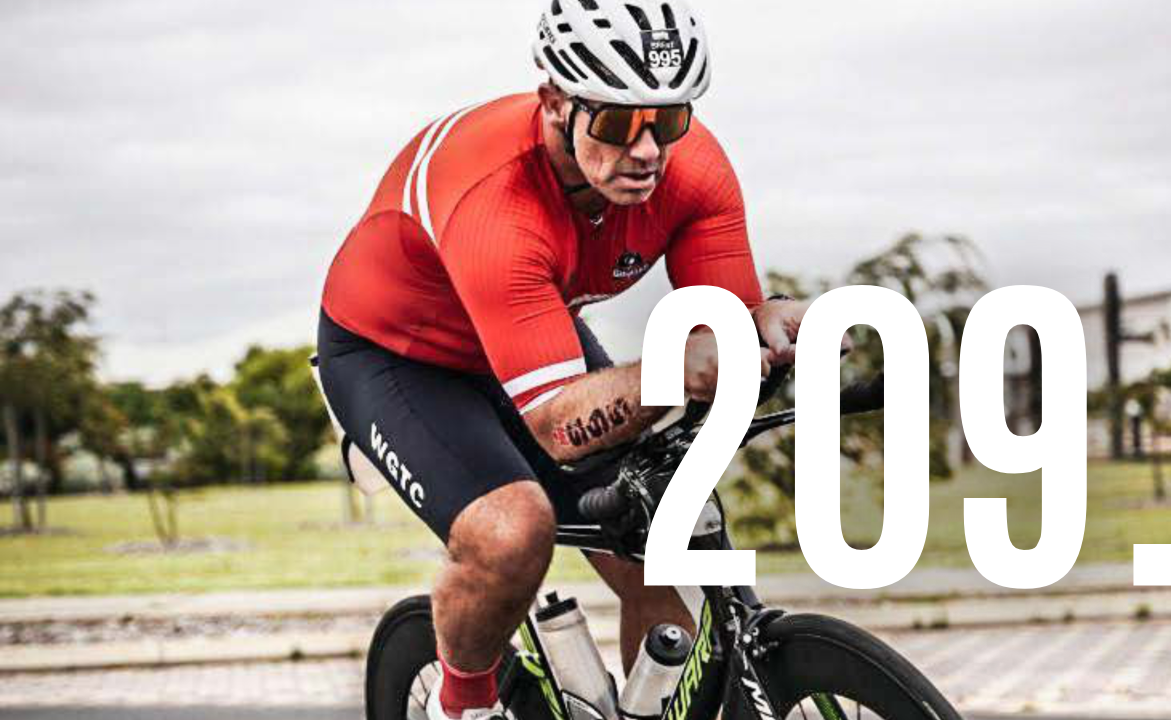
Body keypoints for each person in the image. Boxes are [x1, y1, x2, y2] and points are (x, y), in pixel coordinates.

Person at [316, 1, 809, 718]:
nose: (648, 150)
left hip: (527, 332)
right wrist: (675, 368)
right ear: (554, 103)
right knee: (512, 533)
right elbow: (557, 427)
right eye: (617, 122)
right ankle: (462, 704)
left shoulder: (693, 169)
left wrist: (771, 325)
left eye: (669, 118)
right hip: (399, 356)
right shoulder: (495, 199)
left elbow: (725, 328)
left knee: (654, 531)